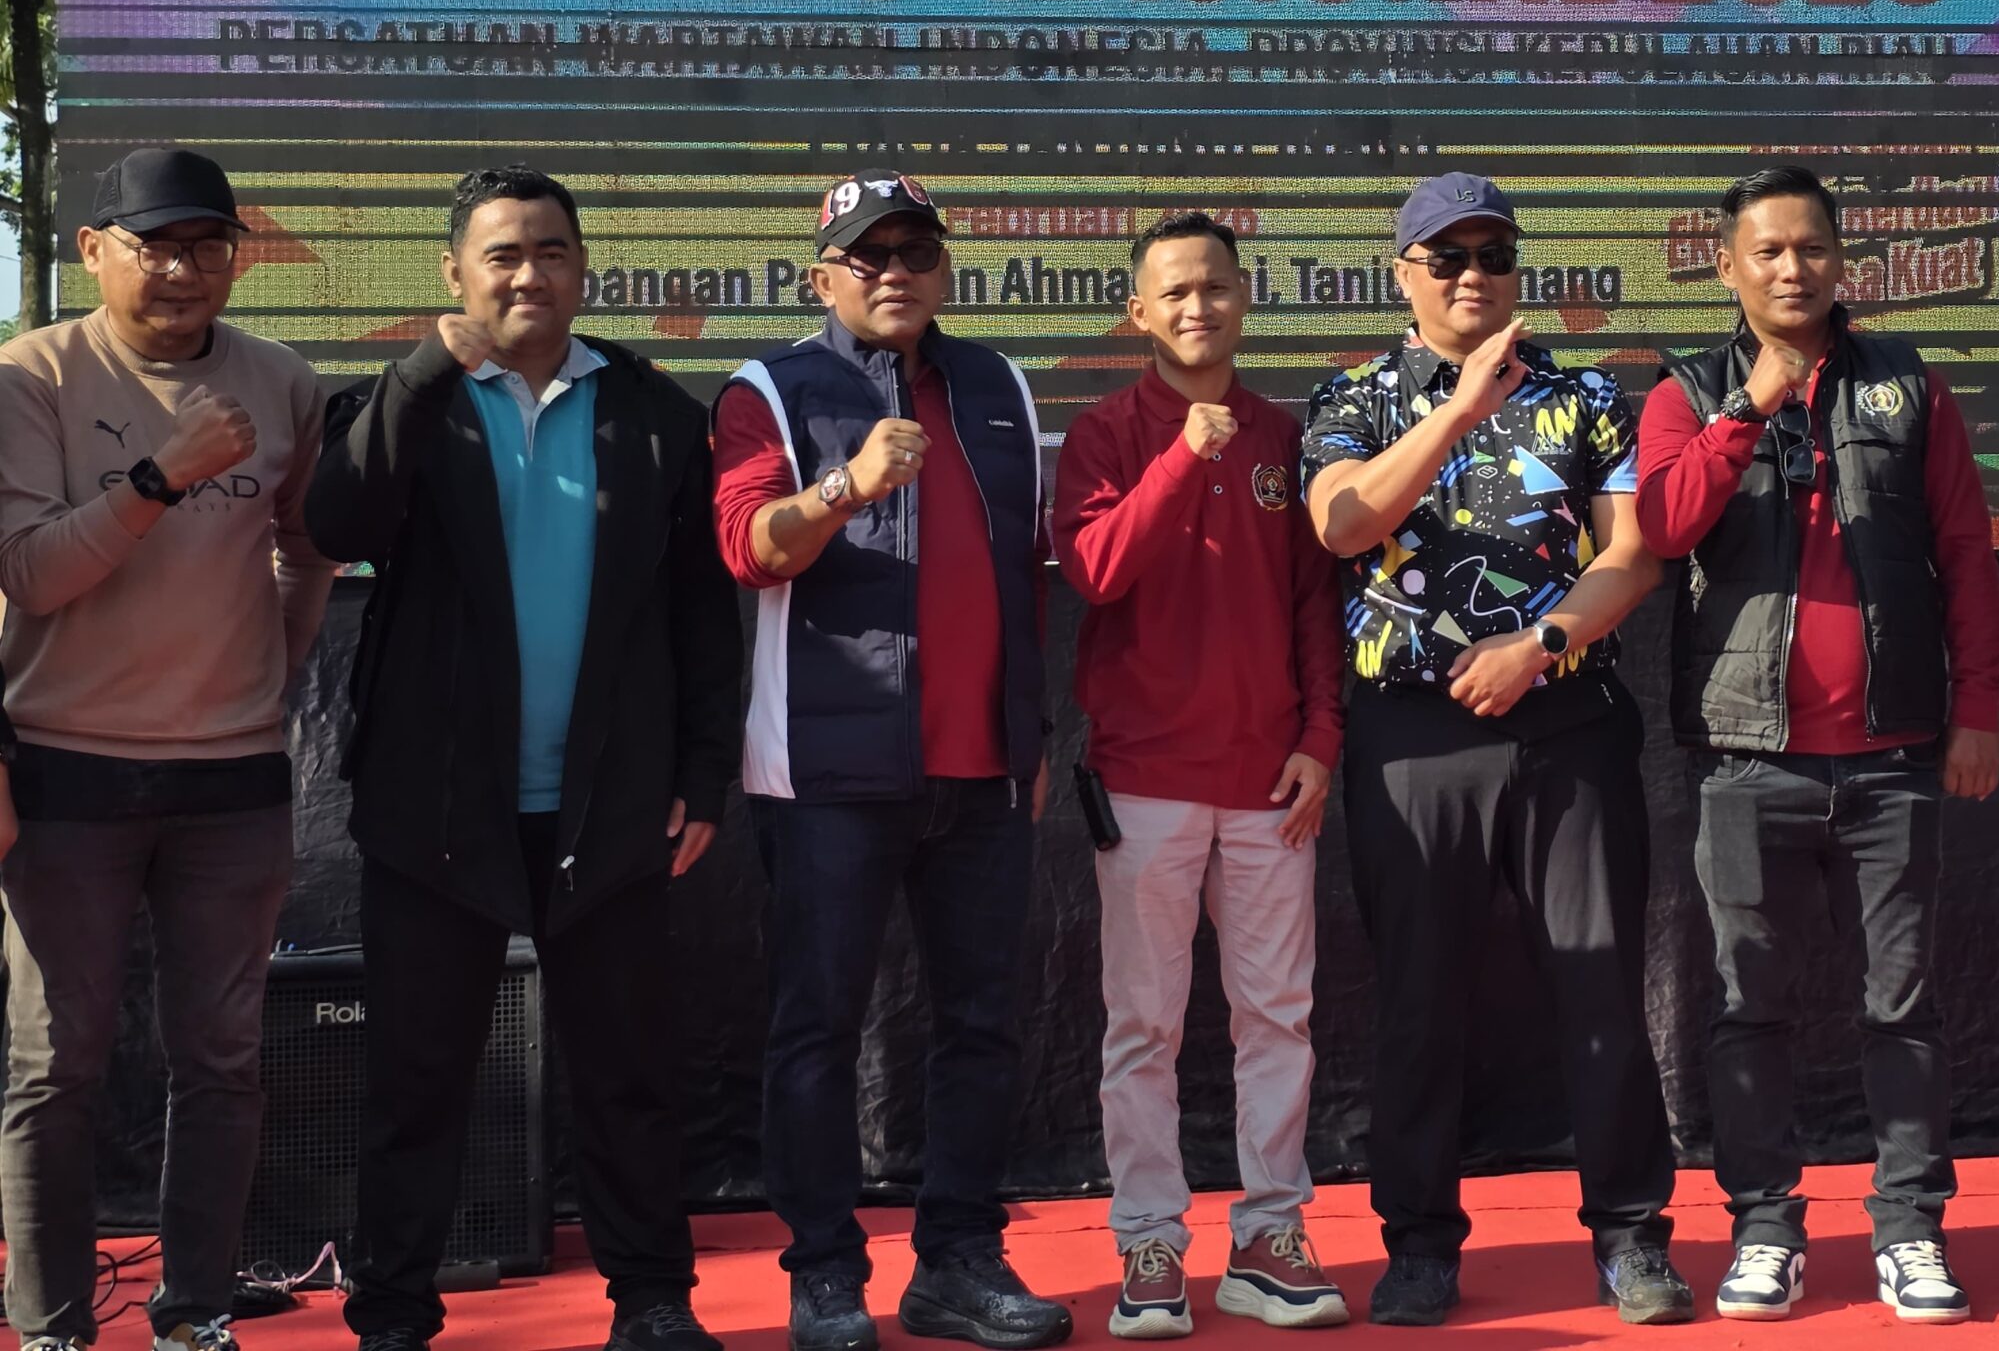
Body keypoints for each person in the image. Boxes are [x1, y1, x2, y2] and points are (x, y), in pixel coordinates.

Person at [305, 166, 742, 1351]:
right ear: (454, 273)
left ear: (583, 269)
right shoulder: (406, 401)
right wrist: (421, 371)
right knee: (416, 1079)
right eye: (501, 254)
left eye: (551, 251)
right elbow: (336, 524)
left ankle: (651, 1299)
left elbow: (702, 616)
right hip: (438, 808)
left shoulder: (653, 412)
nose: (528, 274)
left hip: (611, 808)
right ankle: (393, 1311)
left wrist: (704, 774)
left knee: (628, 1077)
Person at [1300, 173, 1689, 1331]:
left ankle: (1632, 1238)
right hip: (1410, 735)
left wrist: (1543, 642)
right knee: (1418, 1002)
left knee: (1600, 985)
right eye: (1448, 257)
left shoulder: (1589, 397)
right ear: (1403, 275)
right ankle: (1419, 1245)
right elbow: (1342, 523)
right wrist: (1459, 409)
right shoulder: (1353, 398)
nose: (1473, 274)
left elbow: (1631, 557)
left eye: (1493, 255)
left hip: (1566, 720)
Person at [1634, 165, 1999, 1327]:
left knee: (1902, 1004)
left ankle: (1909, 1228)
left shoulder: (1907, 384)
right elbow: (1661, 527)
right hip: (1744, 763)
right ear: (1726, 267)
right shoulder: (1685, 390)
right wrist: (1746, 408)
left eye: (1811, 248)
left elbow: (1964, 554)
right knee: (1749, 1006)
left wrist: (1978, 710)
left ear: (1842, 261)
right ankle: (1763, 1228)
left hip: (1893, 758)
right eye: (1768, 251)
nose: (1792, 269)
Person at [710, 171, 1069, 1351]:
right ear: (823, 277)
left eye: (917, 252)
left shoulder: (998, 384)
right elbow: (748, 550)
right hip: (828, 774)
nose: (897, 273)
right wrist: (846, 486)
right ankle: (823, 1273)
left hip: (982, 772)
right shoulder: (770, 389)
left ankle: (958, 1263)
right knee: (817, 1029)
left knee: (982, 1028)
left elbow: (1025, 580)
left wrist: (1029, 735)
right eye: (870, 256)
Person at [0, 147, 336, 1351]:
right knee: (56, 1064)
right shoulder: (31, 375)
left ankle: (194, 1315)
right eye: (157, 245)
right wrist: (162, 473)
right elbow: (31, 573)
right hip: (64, 768)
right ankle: (51, 1326)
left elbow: (310, 551)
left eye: (209, 246)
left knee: (223, 1060)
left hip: (232, 777)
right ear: (94, 251)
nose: (186, 270)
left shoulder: (284, 381)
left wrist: (269, 674)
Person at [1053, 213, 1348, 1341]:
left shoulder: (1287, 436)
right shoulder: (1105, 433)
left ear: (1244, 297)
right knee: (1145, 1027)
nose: (1196, 307)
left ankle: (1271, 1235)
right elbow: (1095, 571)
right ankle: (1149, 1243)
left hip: (1269, 782)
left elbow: (1313, 603)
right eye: (1173, 292)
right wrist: (1183, 456)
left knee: (1278, 1019)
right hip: (1145, 779)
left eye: (1214, 287)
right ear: (1138, 312)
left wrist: (1320, 737)